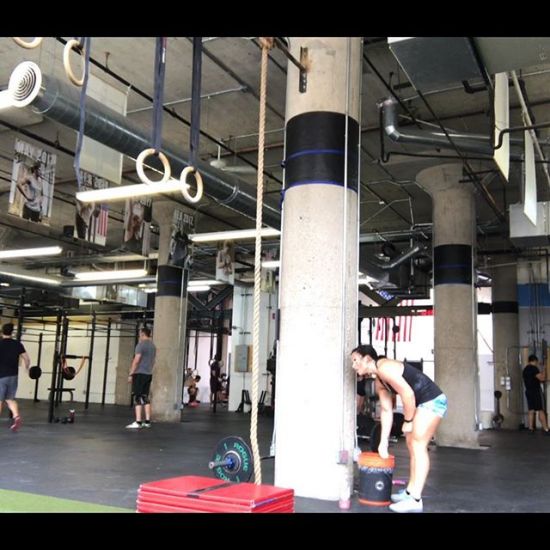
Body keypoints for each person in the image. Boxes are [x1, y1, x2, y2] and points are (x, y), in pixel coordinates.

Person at [351, 344, 447, 513]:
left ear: (367, 359)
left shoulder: (385, 367)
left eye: (355, 360)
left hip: (432, 401)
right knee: (412, 444)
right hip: (421, 403)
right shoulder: (380, 380)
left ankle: (415, 499)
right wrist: (383, 443)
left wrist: (408, 420)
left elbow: (408, 394)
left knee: (418, 445)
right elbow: (387, 410)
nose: (353, 365)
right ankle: (410, 492)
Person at [0, 323, 31, 432]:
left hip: (1, 376)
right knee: (9, 399)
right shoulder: (17, 344)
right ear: (12, 332)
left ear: (2, 332)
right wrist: (26, 368)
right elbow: (26, 359)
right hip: (13, 376)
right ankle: (16, 416)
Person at [126, 327, 156, 429]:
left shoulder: (141, 345)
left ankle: (138, 422)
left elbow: (136, 360)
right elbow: (153, 361)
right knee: (145, 397)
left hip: (139, 374)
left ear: (143, 334)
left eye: (140, 334)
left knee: (137, 397)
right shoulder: (153, 346)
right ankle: (147, 421)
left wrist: (131, 374)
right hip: (148, 374)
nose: (139, 336)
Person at [522, 354, 550, 434]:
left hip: (528, 391)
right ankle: (546, 429)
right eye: (537, 362)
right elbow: (542, 378)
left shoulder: (525, 369)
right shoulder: (534, 368)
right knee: (540, 410)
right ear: (535, 361)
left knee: (531, 410)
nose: (537, 363)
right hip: (535, 391)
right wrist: (544, 369)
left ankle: (530, 429)